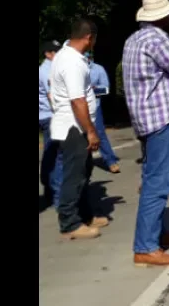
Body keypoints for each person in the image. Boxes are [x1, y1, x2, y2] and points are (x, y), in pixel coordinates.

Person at [123, 0, 169, 267]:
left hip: (144, 119)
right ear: (162, 17)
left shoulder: (134, 39)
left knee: (153, 177)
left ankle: (155, 234)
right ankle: (146, 247)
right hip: (161, 117)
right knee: (158, 182)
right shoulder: (158, 39)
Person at [48, 19, 108, 239]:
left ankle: (85, 214)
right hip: (74, 127)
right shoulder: (72, 62)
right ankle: (70, 222)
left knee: (83, 173)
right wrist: (91, 131)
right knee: (75, 175)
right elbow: (77, 100)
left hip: (72, 124)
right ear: (89, 38)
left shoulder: (64, 56)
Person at [87, 55, 121, 173]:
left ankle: (111, 161)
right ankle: (84, 165)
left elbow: (106, 89)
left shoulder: (98, 69)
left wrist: (93, 89)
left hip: (94, 106)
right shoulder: (70, 67)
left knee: (99, 133)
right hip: (75, 107)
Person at [40, 40, 63, 207]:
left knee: (50, 155)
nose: (59, 54)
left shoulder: (48, 68)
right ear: (48, 54)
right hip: (52, 117)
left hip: (49, 117)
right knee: (55, 157)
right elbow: (52, 97)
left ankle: (49, 190)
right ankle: (56, 196)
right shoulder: (47, 71)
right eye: (56, 51)